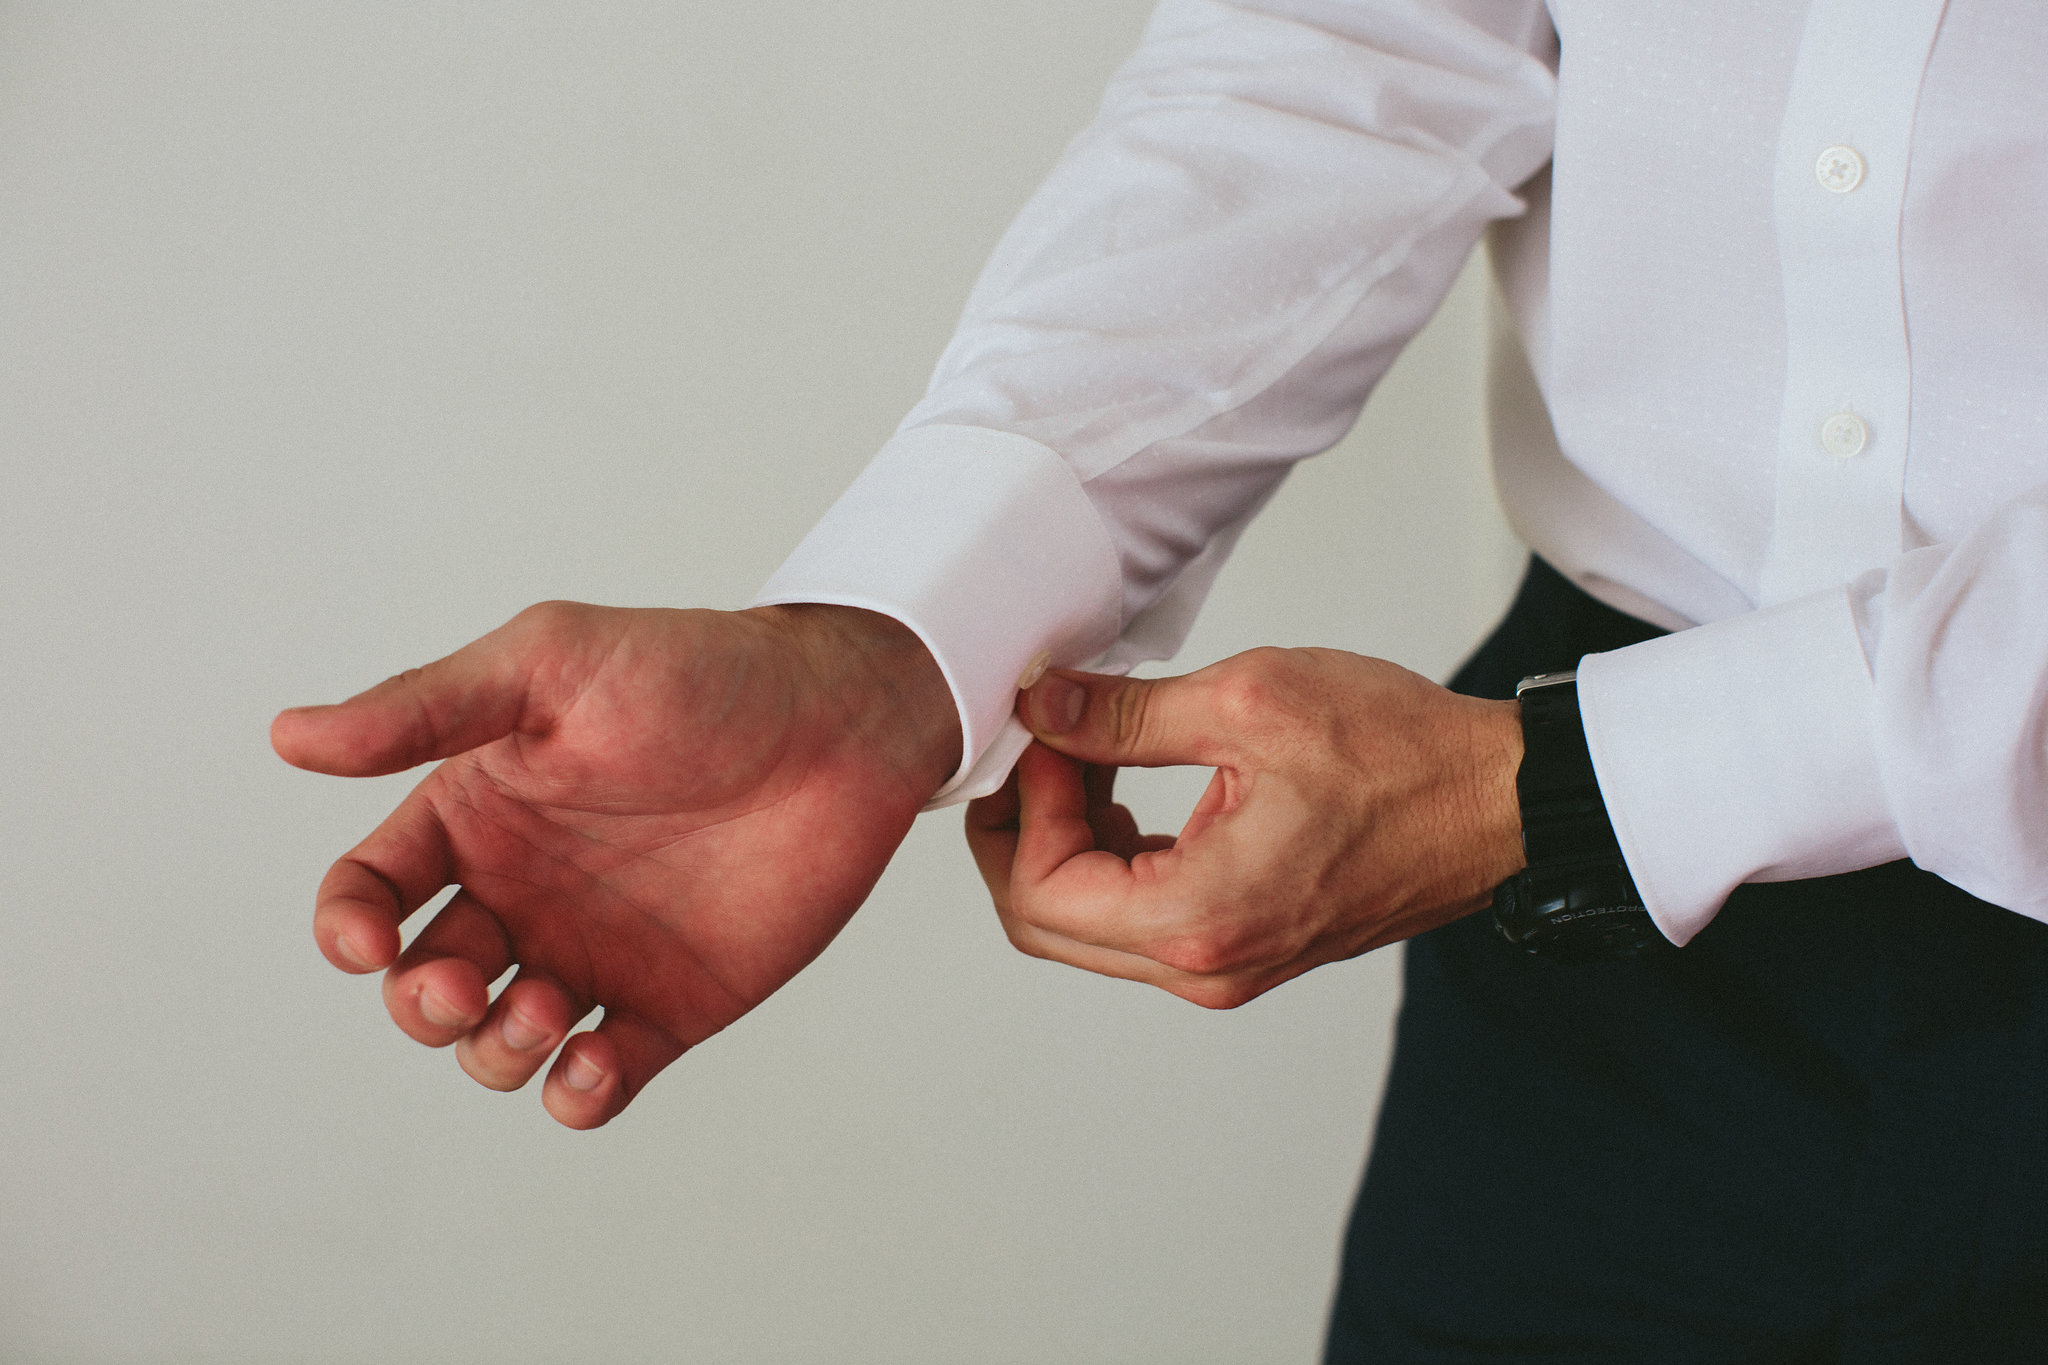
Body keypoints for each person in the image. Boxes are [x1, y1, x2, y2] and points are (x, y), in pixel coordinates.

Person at [272, 0, 2048, 1356]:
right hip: (1590, 962)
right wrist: (886, 649)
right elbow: (1354, 46)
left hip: (1550, 806)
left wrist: (1573, 791)